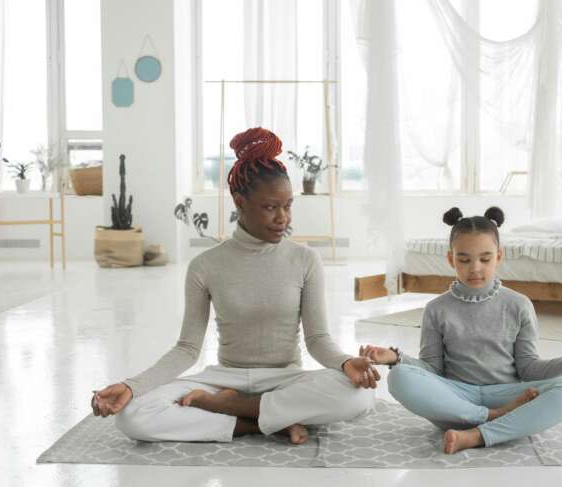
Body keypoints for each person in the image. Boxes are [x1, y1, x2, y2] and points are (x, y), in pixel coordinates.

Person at [91, 127, 378, 444]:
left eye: (287, 206)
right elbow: (187, 349)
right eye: (270, 207)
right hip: (225, 378)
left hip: (285, 379)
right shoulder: (205, 265)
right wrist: (132, 386)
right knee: (133, 415)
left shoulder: (305, 260)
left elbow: (318, 340)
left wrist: (346, 363)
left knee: (360, 397)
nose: (282, 218)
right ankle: (256, 423)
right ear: (240, 202)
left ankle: (231, 409)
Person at [360, 206, 562, 454]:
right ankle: (492, 418)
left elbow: (528, 368)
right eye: (464, 259)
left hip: (508, 397)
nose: (475, 268)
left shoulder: (519, 305)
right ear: (450, 259)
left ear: (499, 256)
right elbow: (431, 370)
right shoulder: (436, 309)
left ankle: (475, 436)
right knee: (399, 376)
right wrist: (395, 358)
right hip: (457, 402)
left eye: (485, 259)